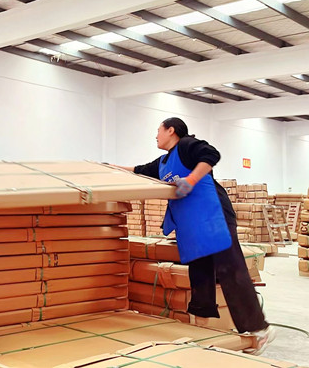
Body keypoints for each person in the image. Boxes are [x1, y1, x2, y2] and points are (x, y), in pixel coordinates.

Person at [115, 117, 274, 354]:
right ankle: (202, 327)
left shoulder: (187, 146)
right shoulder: (163, 163)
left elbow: (211, 155)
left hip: (213, 215)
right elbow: (139, 170)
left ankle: (259, 329)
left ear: (171, 130)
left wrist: (190, 180)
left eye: (158, 130)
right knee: (200, 273)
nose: (156, 135)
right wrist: (109, 167)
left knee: (229, 269)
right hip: (192, 223)